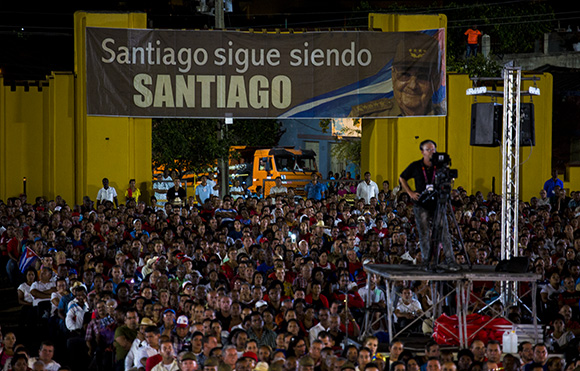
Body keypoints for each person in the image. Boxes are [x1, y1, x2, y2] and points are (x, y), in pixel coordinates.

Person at [349, 31, 443, 117]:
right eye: (405, 75)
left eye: (422, 76)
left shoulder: (445, 117)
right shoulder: (365, 116)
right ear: (393, 75)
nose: (413, 85)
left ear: (435, 81)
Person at [399, 139, 459, 272]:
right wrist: (410, 193)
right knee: (424, 233)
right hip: (422, 204)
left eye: (434, 149)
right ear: (422, 152)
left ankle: (450, 261)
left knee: (444, 233)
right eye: (429, 149)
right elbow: (402, 177)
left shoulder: (440, 165)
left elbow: (449, 179)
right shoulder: (415, 166)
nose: (432, 152)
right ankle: (426, 261)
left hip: (438, 203)